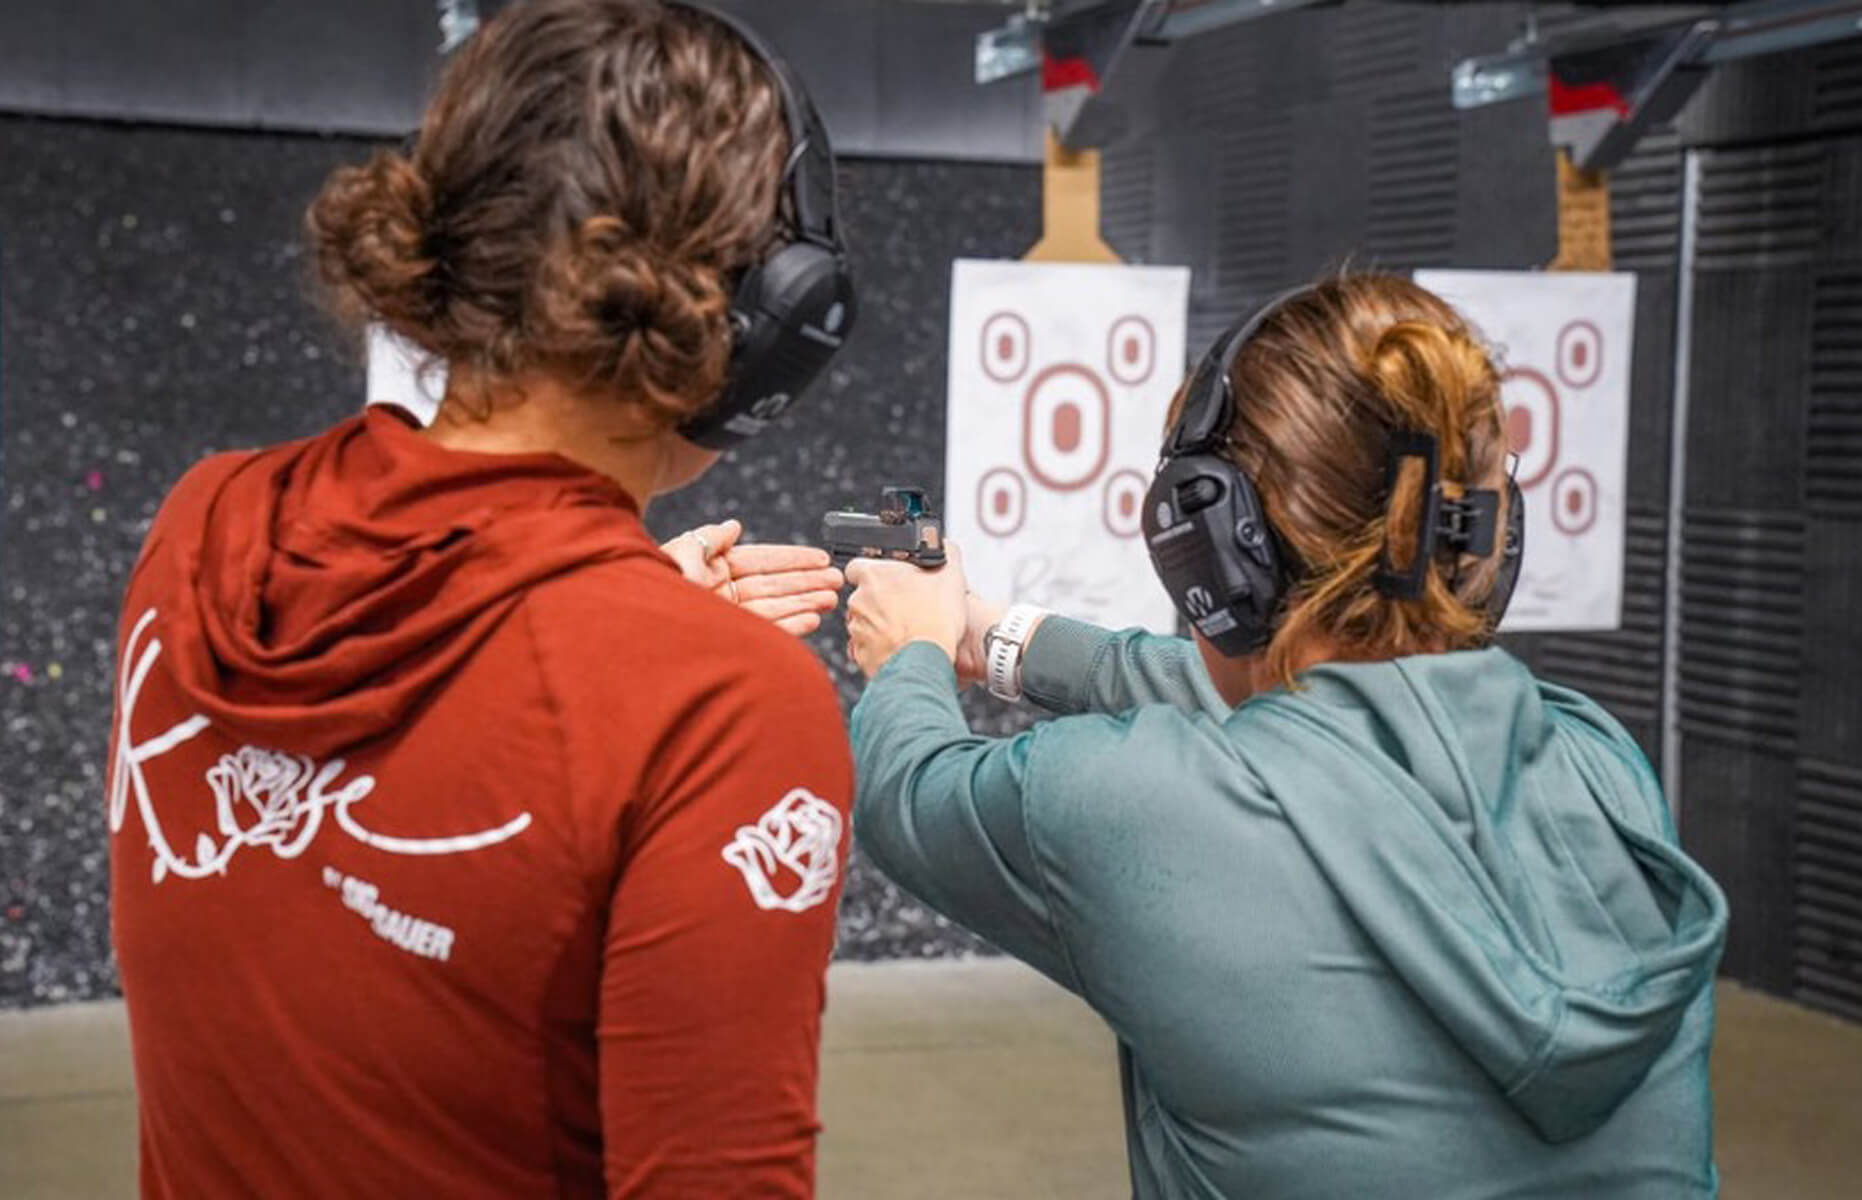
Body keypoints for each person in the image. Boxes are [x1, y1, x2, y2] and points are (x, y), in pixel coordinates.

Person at [105, 3, 858, 1195]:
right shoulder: (723, 707)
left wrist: (604, 629)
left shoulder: (208, 527)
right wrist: (634, 666)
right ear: (760, 316)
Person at [843, 273, 1729, 1198]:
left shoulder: (1123, 806)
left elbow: (911, 790)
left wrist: (910, 652)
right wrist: (992, 638)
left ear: (1215, 555)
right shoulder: (1599, 763)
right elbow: (1312, 720)